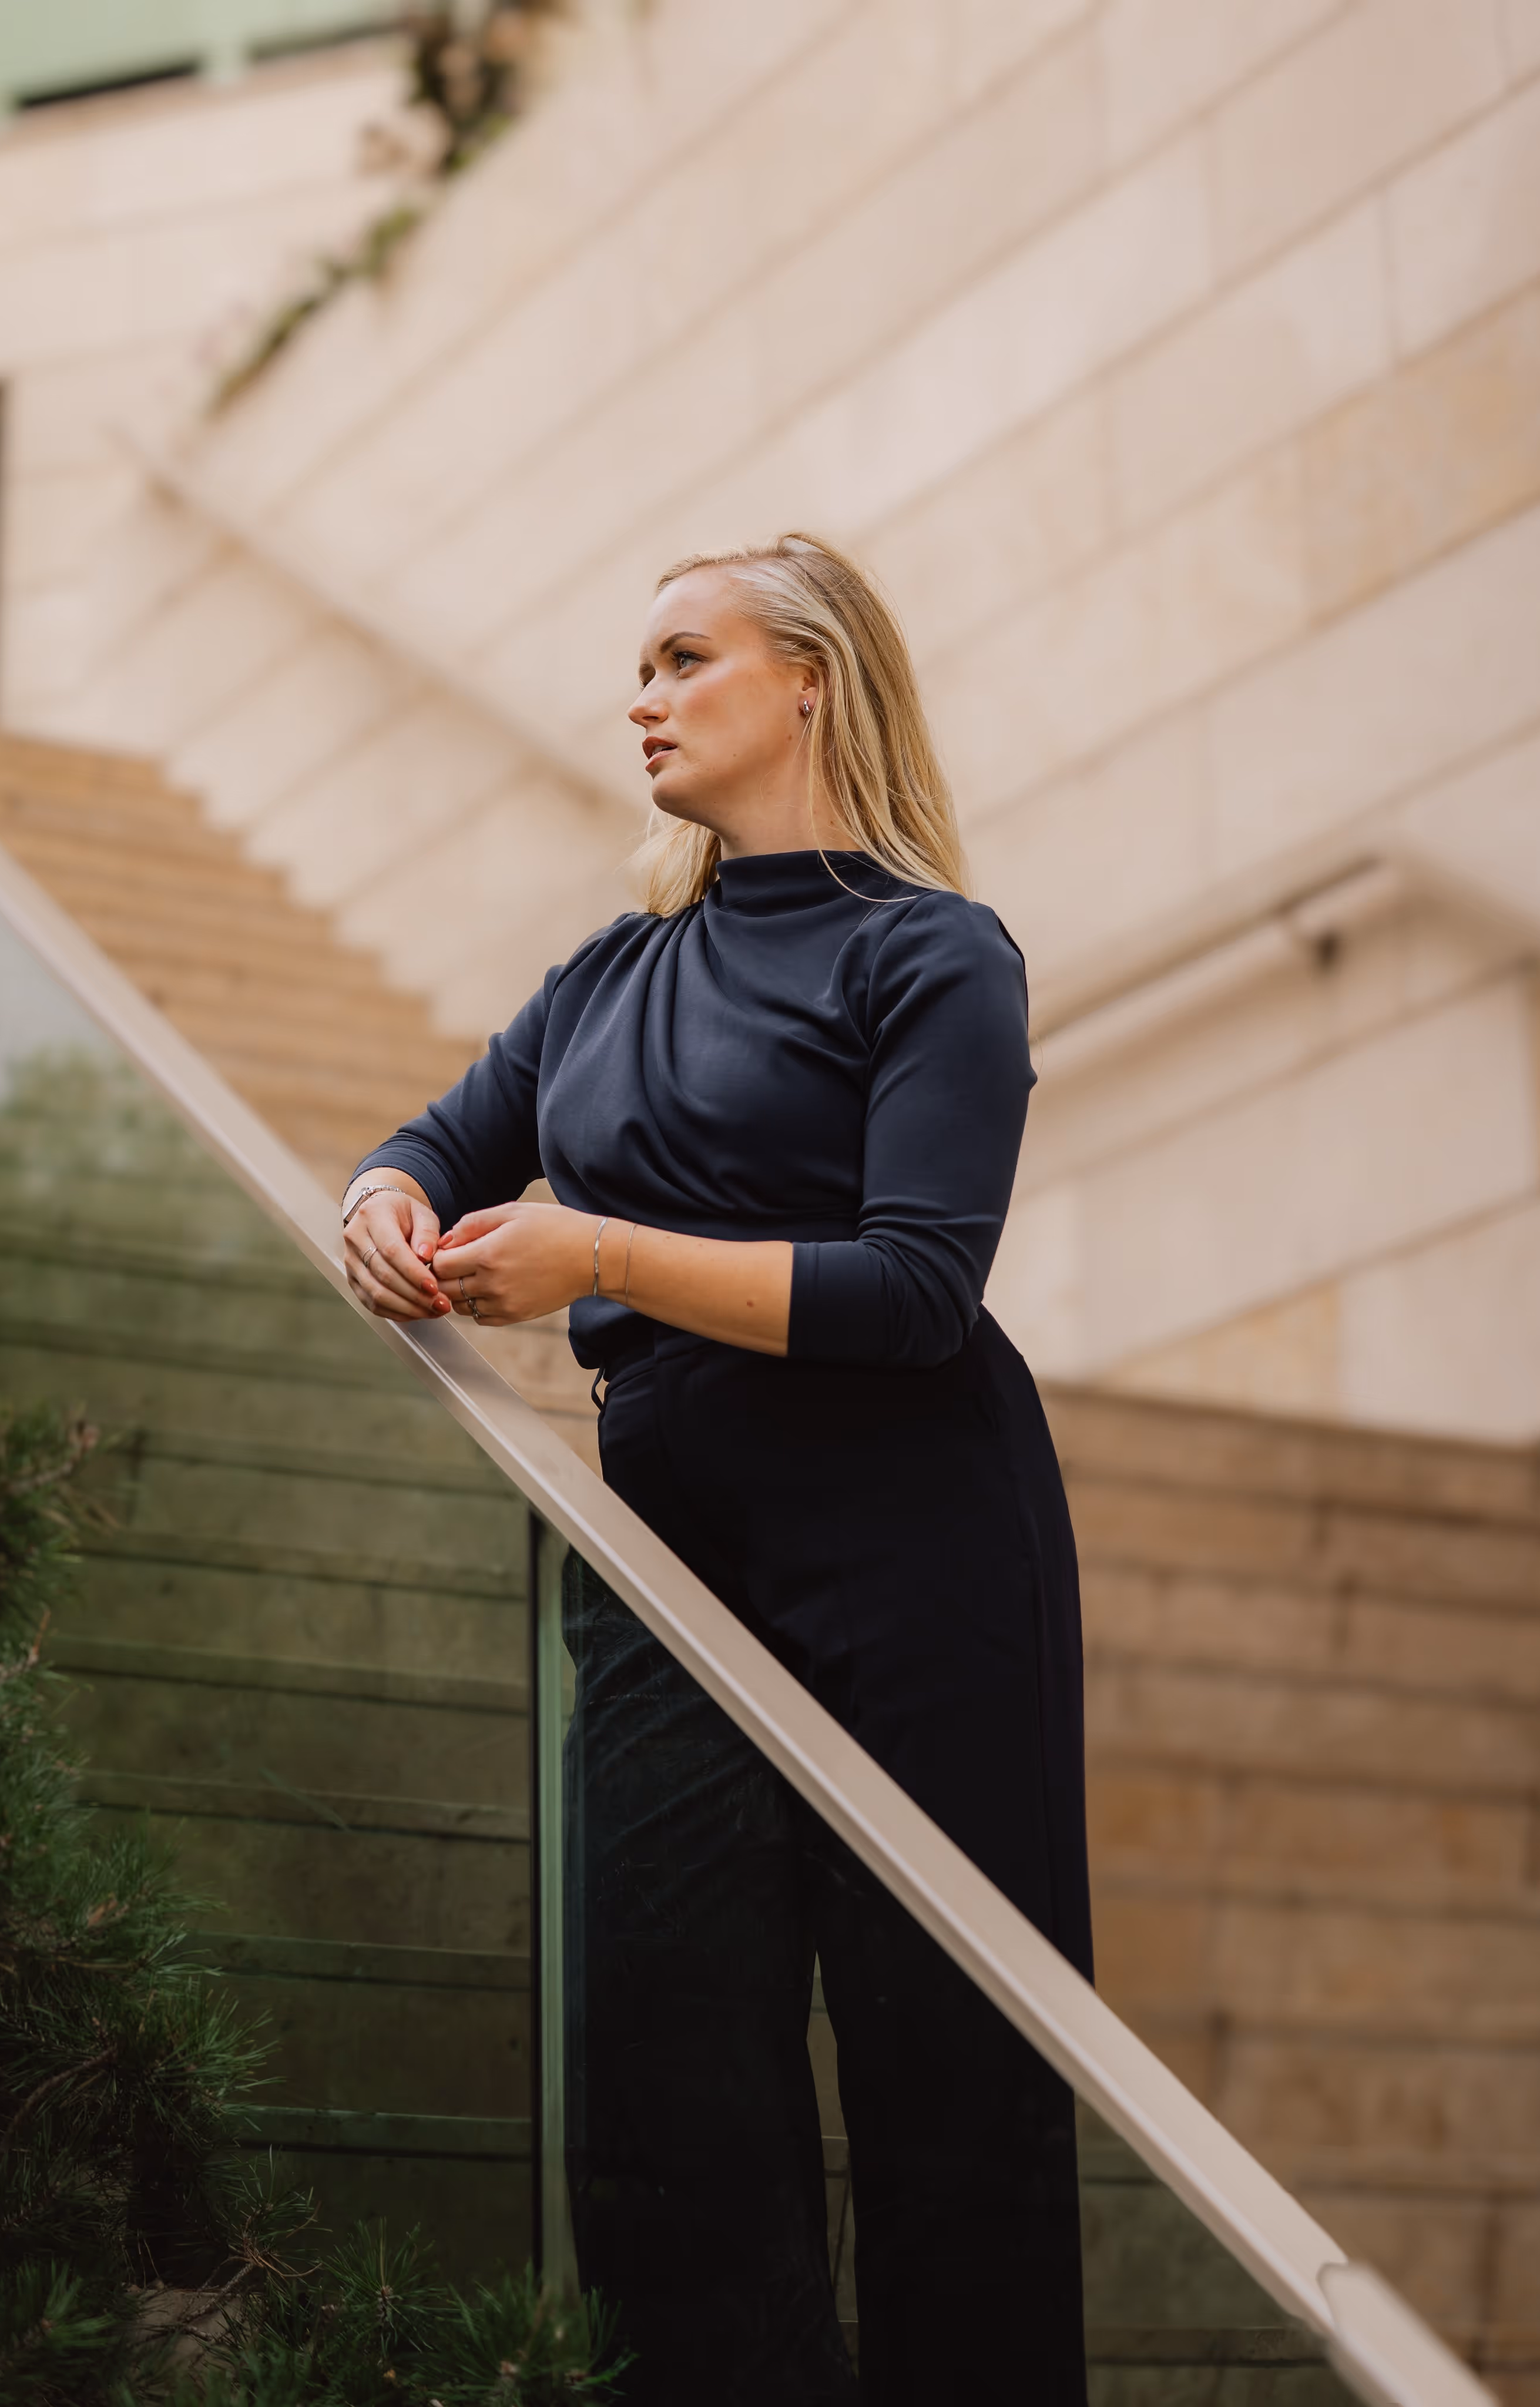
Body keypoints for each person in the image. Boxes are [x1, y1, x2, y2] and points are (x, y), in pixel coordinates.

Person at [341, 533, 1092, 2406]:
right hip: (667, 1547)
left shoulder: (936, 952)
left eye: (685, 659)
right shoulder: (609, 975)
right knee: (666, 2081)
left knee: (952, 2092)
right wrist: (384, 1199)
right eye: (640, 668)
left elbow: (921, 1288)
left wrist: (595, 1256)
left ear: (815, 679)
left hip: (918, 1543)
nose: (640, 699)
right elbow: (437, 1135)